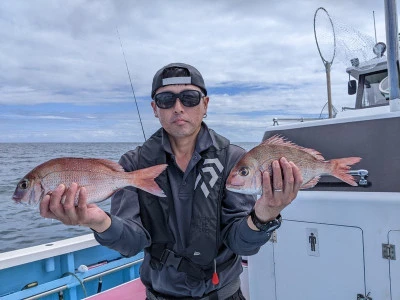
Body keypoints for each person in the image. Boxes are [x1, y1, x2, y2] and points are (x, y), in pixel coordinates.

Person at [40, 63, 302, 300]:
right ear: (155, 109)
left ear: (205, 104)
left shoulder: (233, 159)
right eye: (166, 100)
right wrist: (97, 221)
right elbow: (131, 243)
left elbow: (241, 243)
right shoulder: (133, 164)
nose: (178, 108)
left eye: (189, 98)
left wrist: (266, 214)